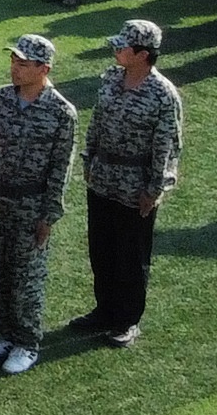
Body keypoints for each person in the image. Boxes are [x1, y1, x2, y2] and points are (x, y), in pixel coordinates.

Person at [70, 19, 180, 345]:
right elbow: (97, 121)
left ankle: (127, 320)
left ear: (143, 54)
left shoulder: (163, 94)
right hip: (103, 178)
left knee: (130, 256)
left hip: (135, 186)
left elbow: (167, 146)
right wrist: (89, 159)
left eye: (123, 46)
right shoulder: (111, 79)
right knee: (101, 249)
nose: (116, 50)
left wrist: (154, 189)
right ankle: (105, 310)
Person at [0, 35, 75, 376]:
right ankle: (4, 334)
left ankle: (27, 343)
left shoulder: (61, 112)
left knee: (25, 279)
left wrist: (49, 215)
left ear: (43, 69)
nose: (15, 69)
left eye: (23, 64)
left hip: (31, 204)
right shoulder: (0, 99)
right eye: (14, 62)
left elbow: (61, 167)